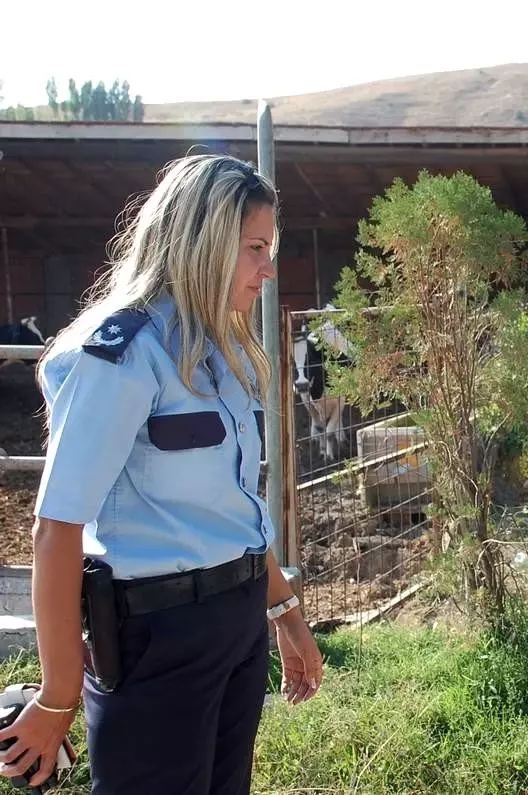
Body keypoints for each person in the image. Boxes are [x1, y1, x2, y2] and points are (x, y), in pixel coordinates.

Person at [0, 154, 325, 794]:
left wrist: (286, 615)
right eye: (255, 248)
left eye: (271, 248)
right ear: (203, 243)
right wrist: (57, 695)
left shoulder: (219, 353)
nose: (268, 268)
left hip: (235, 624)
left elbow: (235, 513)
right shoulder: (121, 355)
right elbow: (56, 527)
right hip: (158, 637)